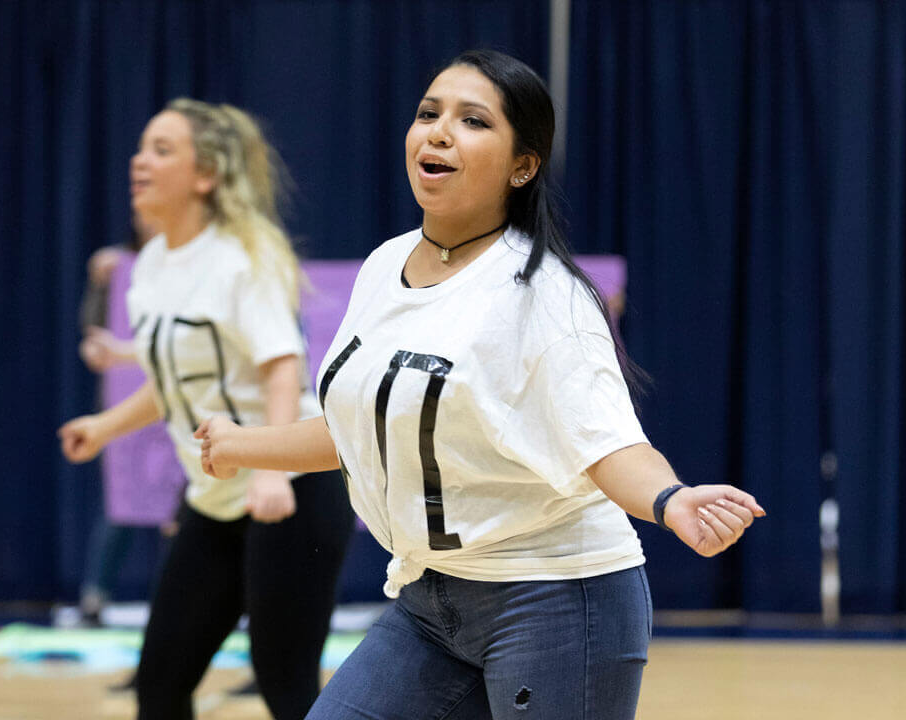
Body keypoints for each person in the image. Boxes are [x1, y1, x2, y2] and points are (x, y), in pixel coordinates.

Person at [195, 50, 765, 720]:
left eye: (472, 121)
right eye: (428, 114)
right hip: (428, 600)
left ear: (523, 166)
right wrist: (244, 445)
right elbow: (368, 428)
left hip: (556, 600)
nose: (438, 131)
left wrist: (671, 500)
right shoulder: (384, 266)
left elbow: (605, 441)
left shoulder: (543, 294)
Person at [58, 98, 354, 720]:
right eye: (142, 147)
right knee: (161, 684)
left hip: (290, 492)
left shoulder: (243, 256)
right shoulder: (152, 267)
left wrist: (272, 473)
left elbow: (282, 368)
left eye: (162, 149)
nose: (140, 161)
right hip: (214, 499)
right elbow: (172, 382)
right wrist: (105, 427)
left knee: (287, 684)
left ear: (205, 175)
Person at [75, 214, 187, 631]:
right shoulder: (118, 268)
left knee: (180, 506)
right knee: (123, 499)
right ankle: (94, 596)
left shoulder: (204, 267)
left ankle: (174, 600)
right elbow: (95, 333)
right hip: (132, 393)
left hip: (183, 395)